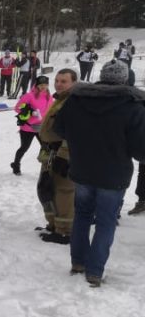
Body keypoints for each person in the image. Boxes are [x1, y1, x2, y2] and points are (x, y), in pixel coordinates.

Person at [53, 59, 145, 286]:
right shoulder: (132, 106)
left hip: (82, 169)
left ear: (102, 76)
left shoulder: (77, 100)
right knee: (105, 221)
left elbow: (59, 128)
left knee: (82, 215)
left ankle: (78, 262)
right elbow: (140, 149)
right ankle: (94, 271)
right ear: (124, 79)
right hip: (114, 174)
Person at [35, 68, 78, 244]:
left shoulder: (73, 102)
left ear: (74, 83)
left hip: (62, 153)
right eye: (57, 81)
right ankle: (53, 224)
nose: (59, 84)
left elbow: (73, 131)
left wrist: (64, 156)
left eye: (64, 81)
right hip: (51, 152)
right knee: (47, 188)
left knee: (63, 191)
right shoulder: (60, 99)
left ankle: (65, 231)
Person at [11, 75, 52, 175]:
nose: (43, 87)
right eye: (41, 85)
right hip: (28, 127)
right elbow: (17, 108)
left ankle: (47, 168)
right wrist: (30, 112)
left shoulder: (48, 97)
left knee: (46, 148)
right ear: (37, 85)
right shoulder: (29, 96)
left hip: (41, 127)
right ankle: (16, 164)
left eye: (45, 85)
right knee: (24, 147)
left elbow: (50, 110)